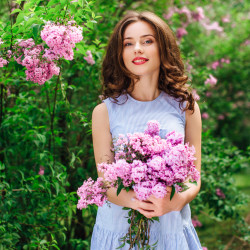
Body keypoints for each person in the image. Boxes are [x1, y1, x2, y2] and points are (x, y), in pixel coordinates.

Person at [91, 10, 202, 250]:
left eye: (147, 41)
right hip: (117, 232)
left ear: (163, 47)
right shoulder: (104, 112)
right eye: (128, 43)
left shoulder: (187, 107)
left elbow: (194, 176)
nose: (137, 49)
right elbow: (105, 181)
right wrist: (138, 202)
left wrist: (175, 201)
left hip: (171, 227)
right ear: (119, 54)